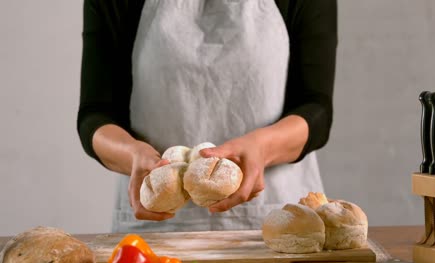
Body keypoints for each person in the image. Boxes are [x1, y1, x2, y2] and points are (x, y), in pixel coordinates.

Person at [78, 0, 337, 233]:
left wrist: (262, 148)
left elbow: (316, 109)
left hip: (278, 221)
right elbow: (96, 115)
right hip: (156, 227)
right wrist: (132, 155)